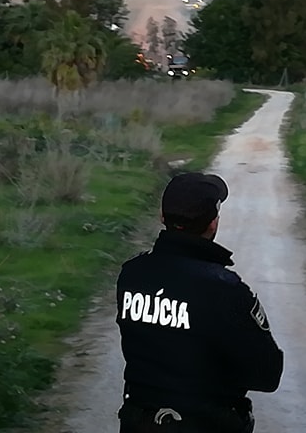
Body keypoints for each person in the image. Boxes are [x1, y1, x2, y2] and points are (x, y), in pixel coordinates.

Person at [116, 172, 284, 432]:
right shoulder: (225, 289)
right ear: (213, 224)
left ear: (163, 217)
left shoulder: (131, 274)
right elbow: (267, 375)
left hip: (139, 422)